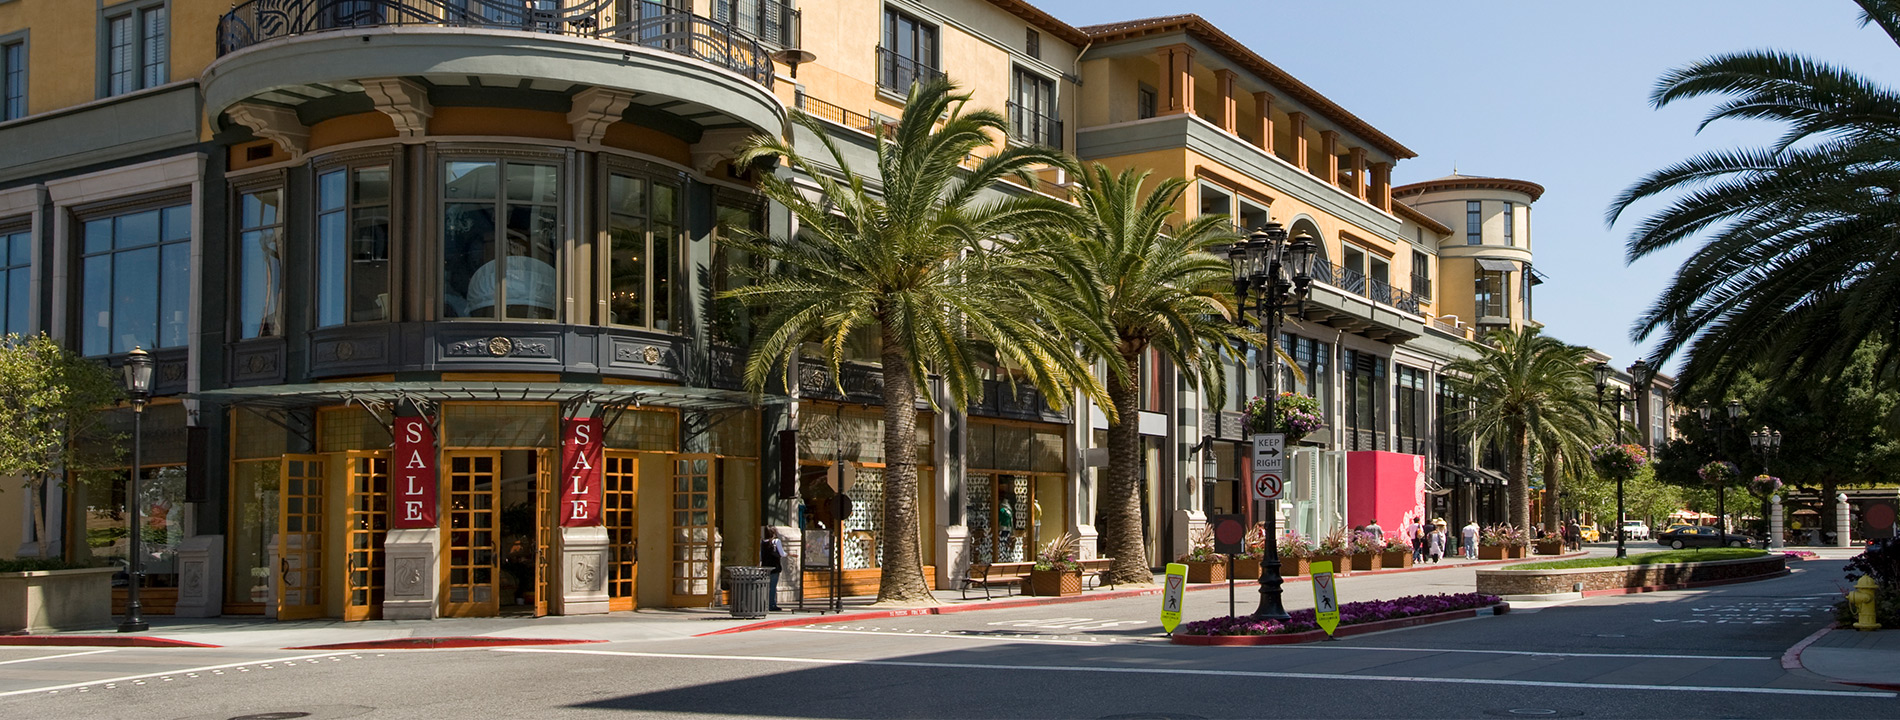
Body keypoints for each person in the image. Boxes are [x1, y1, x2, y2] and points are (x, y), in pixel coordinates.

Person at [761, 527, 786, 612]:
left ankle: (764, 603)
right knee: (772, 586)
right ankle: (772, 604)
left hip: (765, 567)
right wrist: (787, 554)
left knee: (765, 586)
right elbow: (782, 553)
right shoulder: (776, 541)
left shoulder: (763, 542)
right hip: (774, 566)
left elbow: (761, 556)